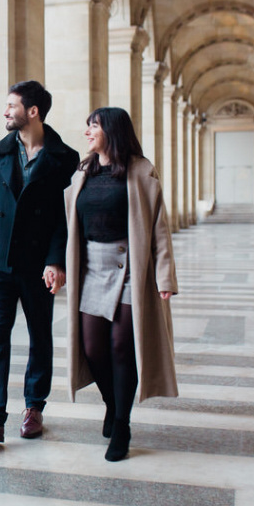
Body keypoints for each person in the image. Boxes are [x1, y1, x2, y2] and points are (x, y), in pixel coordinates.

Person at [0, 80, 80, 443]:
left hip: (37, 264)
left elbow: (65, 215)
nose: (5, 111)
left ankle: (34, 408)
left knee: (39, 336)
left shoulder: (65, 158)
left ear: (32, 111)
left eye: (11, 105)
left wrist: (56, 260)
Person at [64, 107, 178, 461]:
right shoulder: (83, 171)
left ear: (111, 130)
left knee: (120, 346)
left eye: (93, 126)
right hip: (92, 269)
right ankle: (112, 405)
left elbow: (159, 226)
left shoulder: (140, 170)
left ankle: (123, 425)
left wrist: (164, 277)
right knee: (93, 347)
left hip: (130, 267)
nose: (88, 132)